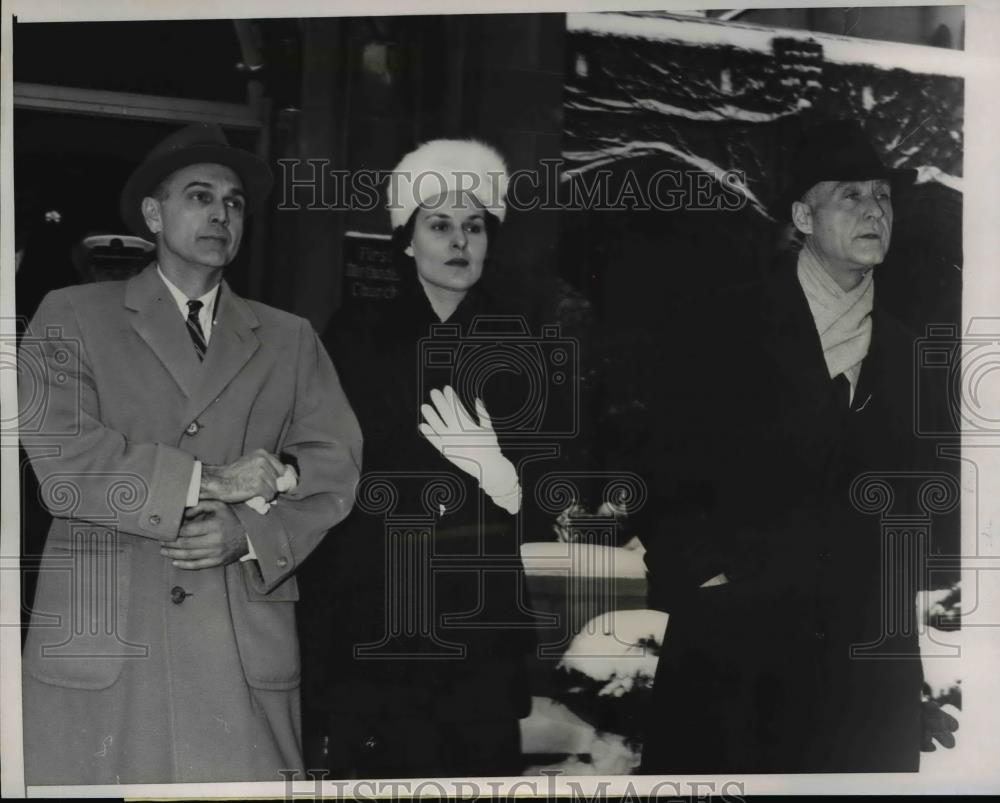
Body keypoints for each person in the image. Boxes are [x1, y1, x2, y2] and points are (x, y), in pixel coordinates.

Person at [18, 122, 363, 785]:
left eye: (233, 203)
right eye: (199, 196)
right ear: (154, 214)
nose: (219, 214)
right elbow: (66, 462)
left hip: (237, 648)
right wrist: (210, 480)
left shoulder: (290, 340)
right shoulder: (72, 315)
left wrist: (253, 533)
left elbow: (334, 467)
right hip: (111, 645)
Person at [639, 120, 957, 773]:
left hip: (861, 678)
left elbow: (916, 511)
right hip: (738, 659)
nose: (875, 210)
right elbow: (660, 461)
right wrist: (706, 574)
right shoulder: (726, 324)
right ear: (801, 216)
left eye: (884, 197)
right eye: (850, 195)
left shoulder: (908, 351)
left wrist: (898, 668)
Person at [298, 139, 536, 779]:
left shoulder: (523, 340)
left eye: (474, 226)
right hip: (378, 612)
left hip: (481, 623)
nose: (461, 241)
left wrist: (505, 475)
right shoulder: (355, 335)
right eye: (440, 225)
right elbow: (322, 463)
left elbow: (561, 479)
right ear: (407, 242)